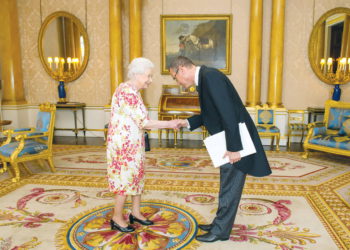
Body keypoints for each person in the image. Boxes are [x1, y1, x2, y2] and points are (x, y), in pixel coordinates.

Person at [169, 56, 272, 243]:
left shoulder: (211, 77)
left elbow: (228, 113)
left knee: (230, 186)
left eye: (174, 77)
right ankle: (219, 223)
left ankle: (220, 231)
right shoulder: (206, 78)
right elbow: (211, 113)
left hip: (233, 142)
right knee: (227, 184)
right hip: (228, 139)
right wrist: (187, 122)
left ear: (181, 69)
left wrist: (234, 149)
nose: (177, 82)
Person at [107, 57, 181, 232]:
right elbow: (144, 122)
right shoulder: (127, 92)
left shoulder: (133, 91)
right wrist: (170, 123)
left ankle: (135, 212)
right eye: (148, 76)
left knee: (136, 176)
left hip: (132, 143)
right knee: (124, 179)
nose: (150, 80)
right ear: (137, 74)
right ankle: (117, 217)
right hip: (123, 146)